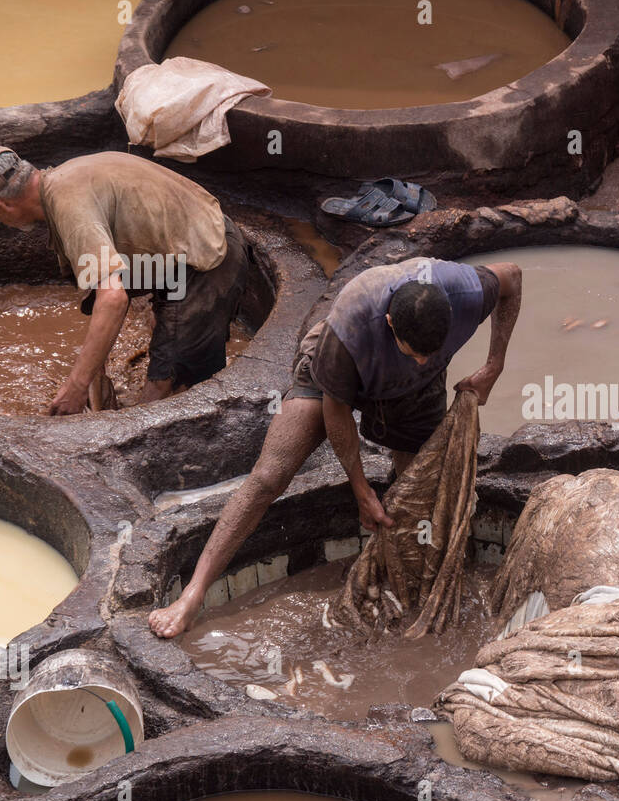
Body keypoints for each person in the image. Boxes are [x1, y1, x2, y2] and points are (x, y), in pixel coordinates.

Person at [149, 254, 522, 638]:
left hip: (413, 390)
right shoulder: (352, 322)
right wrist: (360, 489)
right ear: (391, 324)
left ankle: (402, 587)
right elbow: (337, 411)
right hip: (333, 376)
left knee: (418, 492)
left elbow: (513, 275)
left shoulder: (466, 291)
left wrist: (494, 365)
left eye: (433, 352)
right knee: (268, 477)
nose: (424, 359)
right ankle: (192, 595)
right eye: (414, 351)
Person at [0, 146, 248, 414]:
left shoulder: (70, 208)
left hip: (208, 259)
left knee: (162, 396)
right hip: (184, 248)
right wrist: (94, 369)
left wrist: (76, 386)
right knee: (165, 341)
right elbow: (106, 288)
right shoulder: (64, 178)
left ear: (1, 206)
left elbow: (112, 298)